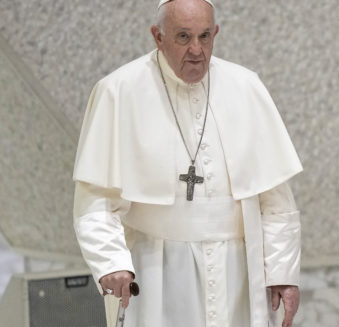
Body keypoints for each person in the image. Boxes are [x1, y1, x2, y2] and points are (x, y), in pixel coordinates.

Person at [72, 0, 303, 326]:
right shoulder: (119, 91)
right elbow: (95, 199)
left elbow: (275, 197)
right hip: (156, 270)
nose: (197, 50)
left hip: (238, 272)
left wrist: (282, 272)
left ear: (216, 34)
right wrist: (110, 262)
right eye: (183, 37)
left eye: (204, 36)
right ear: (158, 36)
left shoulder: (245, 87)